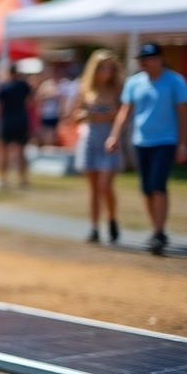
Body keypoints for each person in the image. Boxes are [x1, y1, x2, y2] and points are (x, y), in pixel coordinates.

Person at [107, 43, 187, 255]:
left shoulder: (175, 81)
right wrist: (114, 135)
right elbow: (125, 111)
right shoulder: (135, 82)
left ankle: (158, 231)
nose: (145, 62)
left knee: (157, 185)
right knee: (146, 188)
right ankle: (157, 228)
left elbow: (184, 113)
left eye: (150, 58)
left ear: (160, 59)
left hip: (166, 140)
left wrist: (183, 143)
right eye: (142, 59)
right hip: (141, 140)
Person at [69, 50, 123, 243]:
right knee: (93, 188)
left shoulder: (117, 88)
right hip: (90, 137)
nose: (105, 71)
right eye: (101, 67)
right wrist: (86, 115)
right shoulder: (85, 89)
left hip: (109, 138)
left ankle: (112, 218)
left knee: (105, 185)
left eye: (109, 67)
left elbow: (122, 115)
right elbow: (74, 115)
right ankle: (94, 228)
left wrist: (108, 115)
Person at [0, 61, 32, 190]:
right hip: (21, 120)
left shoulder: (3, 87)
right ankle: (22, 179)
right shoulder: (23, 85)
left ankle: (2, 178)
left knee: (3, 152)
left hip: (7, 121)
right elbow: (31, 102)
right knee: (21, 152)